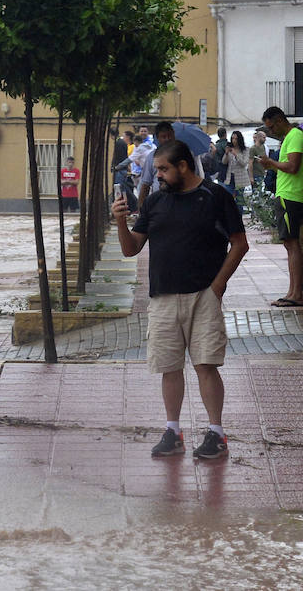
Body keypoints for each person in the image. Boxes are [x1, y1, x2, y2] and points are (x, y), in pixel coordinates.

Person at [112, 139, 249, 460]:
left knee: (206, 365)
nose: (157, 175)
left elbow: (240, 244)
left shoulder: (215, 197)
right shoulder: (155, 202)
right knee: (168, 367)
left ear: (183, 166)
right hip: (162, 298)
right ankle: (173, 431)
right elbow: (131, 248)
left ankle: (216, 433)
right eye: (156, 169)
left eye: (163, 169)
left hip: (203, 296)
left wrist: (217, 286)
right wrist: (121, 220)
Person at [257, 107, 303, 307]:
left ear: (280, 120)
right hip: (287, 195)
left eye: (272, 126)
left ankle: (297, 292)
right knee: (290, 244)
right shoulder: (290, 138)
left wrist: (271, 162)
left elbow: (293, 166)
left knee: (292, 244)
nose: (271, 131)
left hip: (290, 196)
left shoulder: (295, 136)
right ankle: (293, 291)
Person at [136, 121, 176, 205]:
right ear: (158, 138)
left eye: (170, 136)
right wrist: (141, 211)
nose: (167, 139)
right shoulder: (152, 157)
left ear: (174, 135)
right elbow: (145, 186)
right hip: (160, 204)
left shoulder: (184, 154)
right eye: (163, 137)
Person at [224, 131, 250, 210]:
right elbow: (224, 162)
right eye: (232, 138)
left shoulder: (245, 150)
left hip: (240, 178)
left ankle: (239, 218)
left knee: (239, 200)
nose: (234, 140)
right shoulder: (230, 149)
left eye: (236, 138)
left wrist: (236, 154)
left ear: (239, 139)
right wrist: (226, 153)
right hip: (230, 177)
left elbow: (244, 163)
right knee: (228, 197)